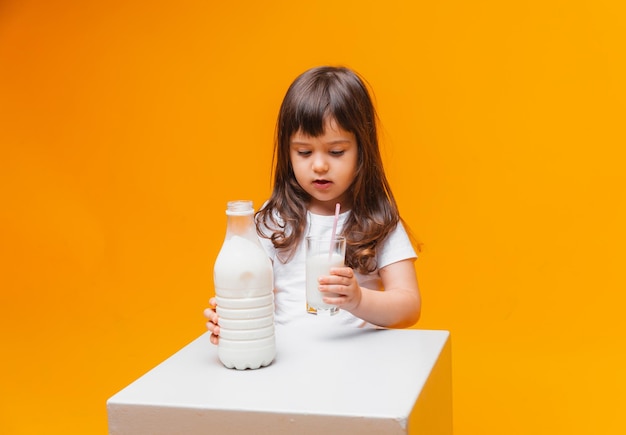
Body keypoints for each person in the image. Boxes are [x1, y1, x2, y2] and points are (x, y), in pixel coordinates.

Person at [205, 66, 421, 344]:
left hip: (359, 367)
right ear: (287, 152)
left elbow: (409, 307)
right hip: (286, 363)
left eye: (336, 151)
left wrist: (357, 299)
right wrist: (231, 320)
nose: (319, 165)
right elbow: (252, 295)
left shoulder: (378, 221)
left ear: (362, 151)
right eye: (304, 152)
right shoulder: (274, 220)